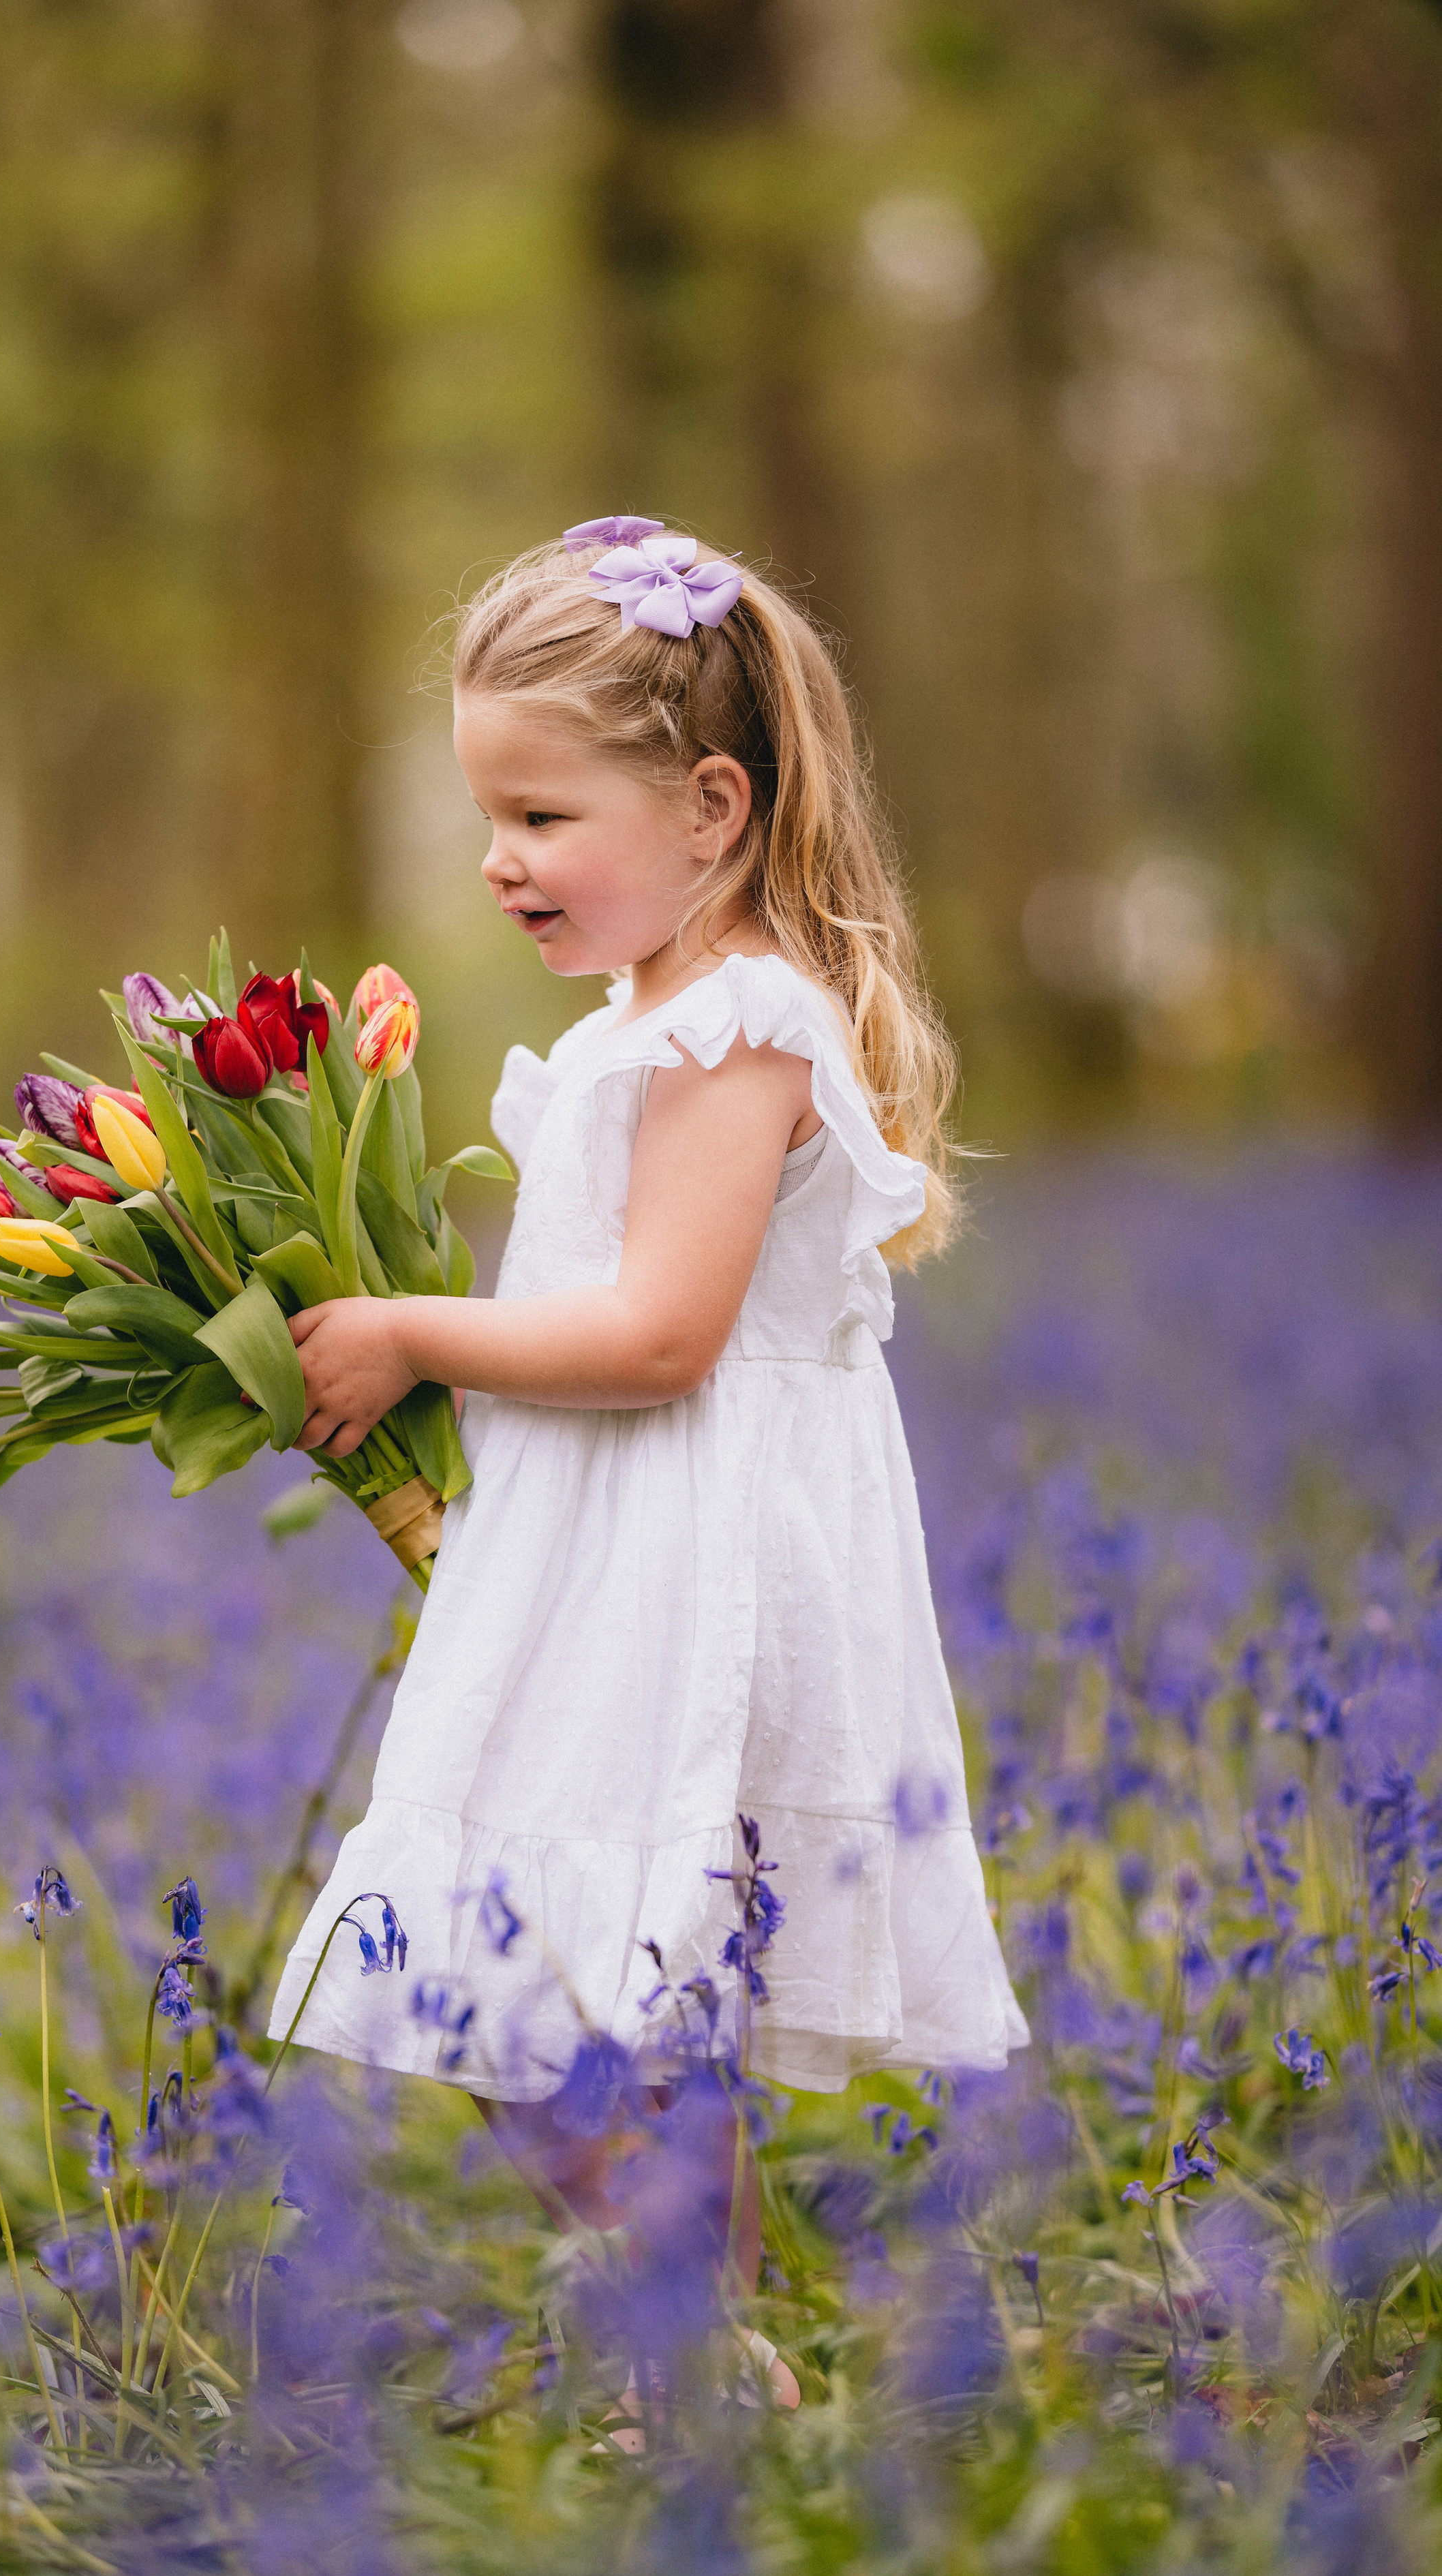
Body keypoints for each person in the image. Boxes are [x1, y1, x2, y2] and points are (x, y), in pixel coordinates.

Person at [268, 517, 1028, 2420]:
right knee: (558, 1998)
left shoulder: (740, 1026)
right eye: (487, 817)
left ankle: (696, 2373)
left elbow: (666, 1334)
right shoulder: (658, 1015)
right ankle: (704, 2360)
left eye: (541, 815)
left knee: (569, 1993)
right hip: (619, 1544)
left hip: (695, 1575)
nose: (502, 861)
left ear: (708, 808)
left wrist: (408, 1335)